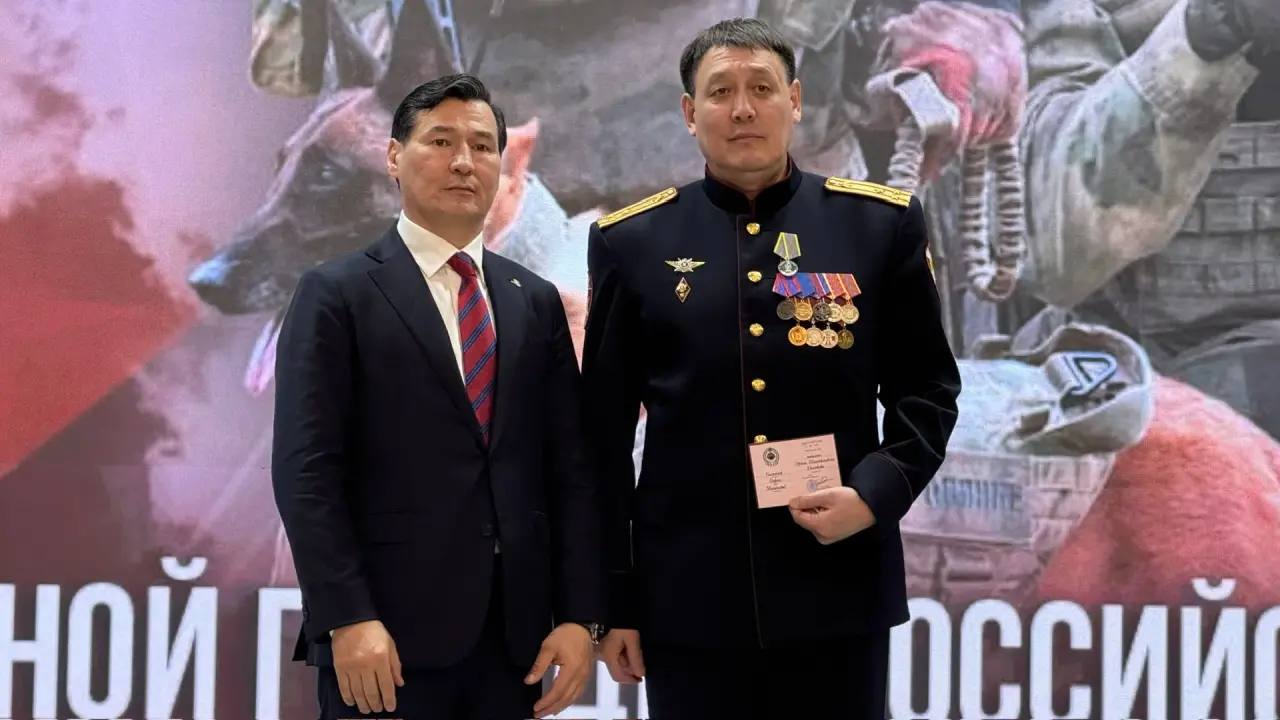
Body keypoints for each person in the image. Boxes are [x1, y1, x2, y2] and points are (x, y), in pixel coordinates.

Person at [582, 17, 962, 720]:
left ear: (796, 100)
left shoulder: (877, 226)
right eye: (720, 91)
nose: (743, 109)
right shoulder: (631, 241)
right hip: (687, 598)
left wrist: (874, 494)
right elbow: (600, 438)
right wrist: (613, 599)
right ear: (690, 113)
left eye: (761, 88)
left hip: (837, 584)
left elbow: (928, 391)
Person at [271, 73, 605, 720]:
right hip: (382, 642)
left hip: (513, 646)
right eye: (441, 141)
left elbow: (569, 470)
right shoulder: (335, 294)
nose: (463, 161)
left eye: (482, 146)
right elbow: (306, 471)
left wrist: (580, 614)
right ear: (394, 157)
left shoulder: (535, 300)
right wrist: (345, 617)